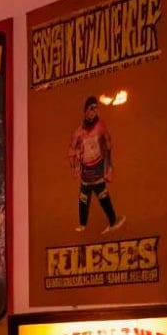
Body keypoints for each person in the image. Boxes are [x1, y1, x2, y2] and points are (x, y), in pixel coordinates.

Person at [69, 95, 125, 234]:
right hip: (85, 171)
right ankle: (82, 225)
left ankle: (112, 221)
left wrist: (108, 164)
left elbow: (107, 142)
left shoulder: (100, 125)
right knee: (83, 197)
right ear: (85, 111)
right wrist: (74, 165)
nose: (94, 111)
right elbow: (71, 149)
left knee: (102, 195)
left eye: (96, 108)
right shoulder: (78, 132)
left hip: (98, 167)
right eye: (91, 108)